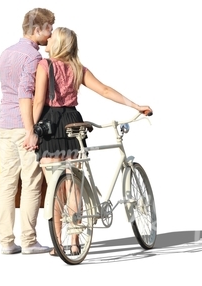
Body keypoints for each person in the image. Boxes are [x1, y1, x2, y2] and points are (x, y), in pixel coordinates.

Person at [32, 27, 153, 256]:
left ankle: (58, 243)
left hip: (50, 125)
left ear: (56, 43)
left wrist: (32, 131)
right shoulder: (78, 68)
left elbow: (38, 102)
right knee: (74, 186)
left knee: (55, 191)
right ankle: (75, 241)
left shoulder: (44, 66)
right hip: (72, 123)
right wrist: (135, 105)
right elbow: (105, 90)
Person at [0, 8, 55, 254]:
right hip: (24, 125)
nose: (51, 34)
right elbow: (25, 94)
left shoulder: (6, 53)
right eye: (49, 28)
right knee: (31, 182)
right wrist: (31, 130)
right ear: (37, 29)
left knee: (7, 184)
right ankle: (29, 241)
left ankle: (6, 242)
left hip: (4, 124)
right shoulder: (33, 58)